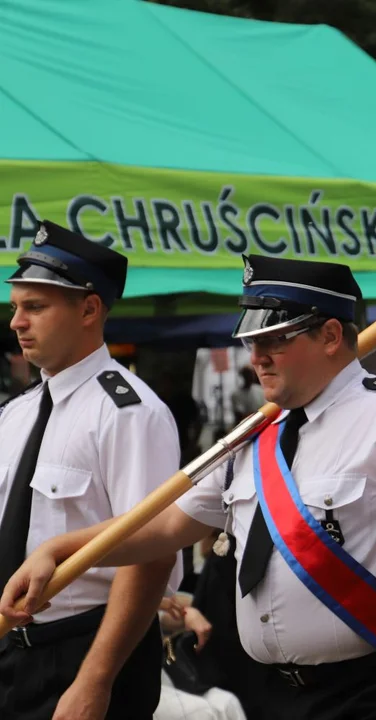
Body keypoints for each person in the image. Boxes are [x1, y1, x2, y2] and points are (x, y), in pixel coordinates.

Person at [1, 254, 376, 720]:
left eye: (274, 339)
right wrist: (60, 549)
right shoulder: (256, 436)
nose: (257, 358)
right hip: (273, 693)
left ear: (331, 335)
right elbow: (166, 522)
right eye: (251, 340)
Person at [0, 220, 181, 720]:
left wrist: (94, 680)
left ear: (88, 308)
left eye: (35, 307)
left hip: (86, 648)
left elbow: (152, 553)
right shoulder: (16, 414)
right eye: (16, 307)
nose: (17, 322)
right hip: (14, 648)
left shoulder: (129, 412)